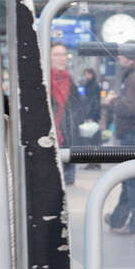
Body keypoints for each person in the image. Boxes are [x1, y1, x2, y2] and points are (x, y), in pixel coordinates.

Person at [102, 53, 135, 236]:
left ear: (129, 57)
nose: (118, 58)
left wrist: (112, 101)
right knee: (129, 181)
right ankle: (118, 219)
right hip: (134, 133)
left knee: (133, 182)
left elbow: (132, 107)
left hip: (133, 135)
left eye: (121, 55)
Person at [49, 42, 81, 185]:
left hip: (67, 141)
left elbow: (76, 111)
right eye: (57, 55)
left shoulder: (70, 82)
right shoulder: (42, 81)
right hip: (47, 140)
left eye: (64, 55)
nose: (62, 58)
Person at [79, 68, 103, 170]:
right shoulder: (90, 85)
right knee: (93, 139)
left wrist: (91, 116)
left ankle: (93, 161)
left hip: (91, 116)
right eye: (85, 74)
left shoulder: (92, 86)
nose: (86, 76)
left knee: (91, 140)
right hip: (91, 115)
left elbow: (93, 102)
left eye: (87, 74)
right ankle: (95, 161)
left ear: (92, 74)